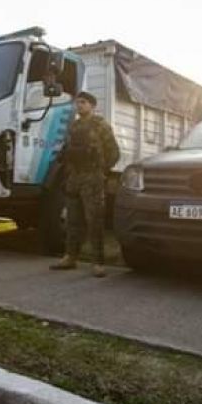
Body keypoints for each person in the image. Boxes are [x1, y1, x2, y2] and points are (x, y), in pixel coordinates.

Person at [51, 91, 120, 277]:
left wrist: (100, 172)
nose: (79, 106)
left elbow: (113, 152)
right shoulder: (73, 126)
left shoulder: (100, 125)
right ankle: (70, 257)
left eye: (83, 102)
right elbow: (67, 151)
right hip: (74, 179)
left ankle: (98, 263)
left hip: (92, 179)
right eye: (77, 103)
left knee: (94, 221)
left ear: (92, 105)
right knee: (73, 221)